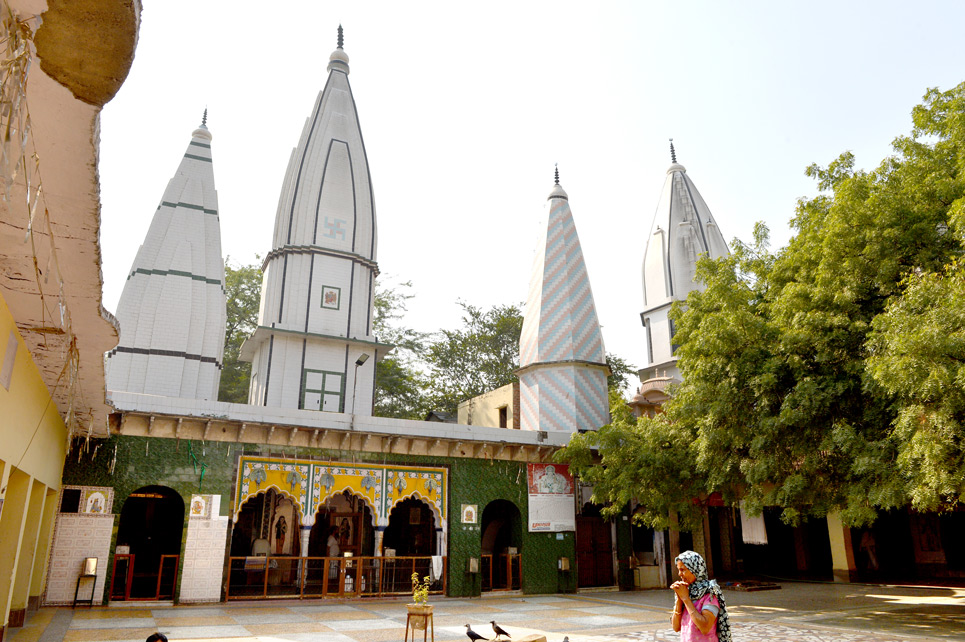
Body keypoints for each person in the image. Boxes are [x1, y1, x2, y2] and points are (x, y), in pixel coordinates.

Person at [670, 550, 731, 642]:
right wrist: (679, 599)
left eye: (683, 570)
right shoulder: (686, 591)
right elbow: (675, 627)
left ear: (695, 569)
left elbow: (705, 627)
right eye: (678, 570)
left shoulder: (710, 592)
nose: (679, 574)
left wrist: (686, 599)